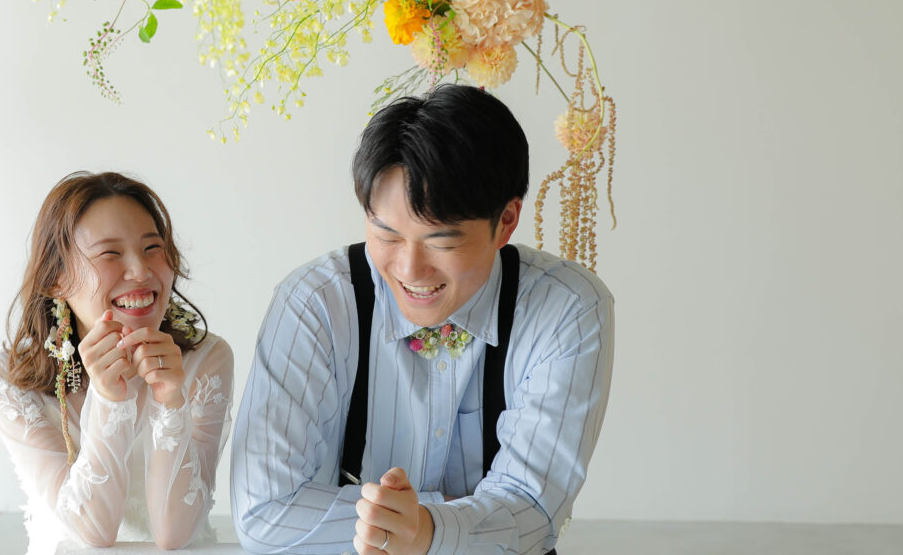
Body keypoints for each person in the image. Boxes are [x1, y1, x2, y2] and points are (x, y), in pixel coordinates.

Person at [231, 85, 615, 555]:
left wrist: (426, 529)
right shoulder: (315, 303)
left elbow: (534, 514)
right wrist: (439, 519)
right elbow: (264, 515)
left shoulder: (566, 307)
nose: (410, 270)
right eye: (386, 235)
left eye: (441, 242)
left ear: (506, 221)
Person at [0, 171, 235, 553]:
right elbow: (92, 533)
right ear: (57, 279)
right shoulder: (8, 378)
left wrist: (170, 400)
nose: (141, 271)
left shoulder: (207, 359)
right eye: (110, 254)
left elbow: (175, 535)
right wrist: (110, 400)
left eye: (152, 247)